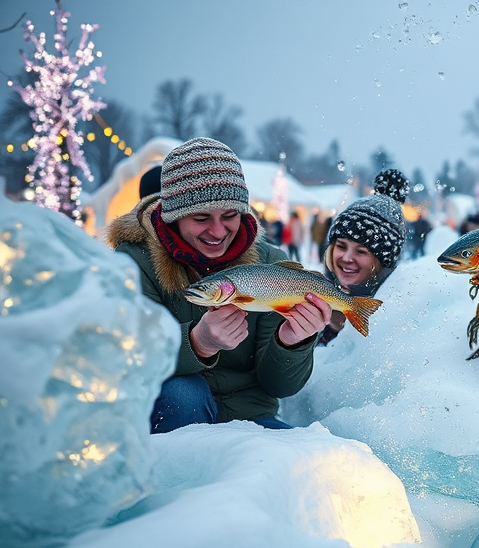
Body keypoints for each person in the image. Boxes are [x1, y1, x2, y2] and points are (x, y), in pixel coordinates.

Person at [106, 137, 331, 433]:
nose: (217, 231)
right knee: (183, 393)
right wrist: (198, 344)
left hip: (250, 418)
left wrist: (292, 342)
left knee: (312, 464)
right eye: (201, 218)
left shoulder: (270, 264)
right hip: (171, 416)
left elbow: (279, 386)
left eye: (229, 216)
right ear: (173, 216)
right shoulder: (134, 261)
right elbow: (125, 359)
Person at [319, 169, 410, 346]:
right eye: (341, 246)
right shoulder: (313, 295)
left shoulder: (394, 318)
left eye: (361, 251)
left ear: (383, 262)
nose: (346, 258)